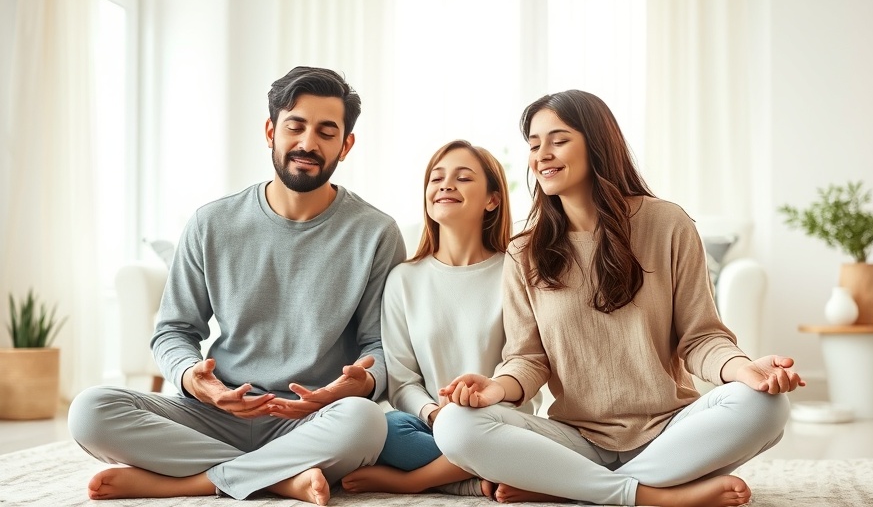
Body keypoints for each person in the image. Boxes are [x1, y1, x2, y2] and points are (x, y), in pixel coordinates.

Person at [434, 89, 804, 507]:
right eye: (534, 144)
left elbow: (700, 338)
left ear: (597, 142)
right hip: (576, 440)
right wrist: (495, 390)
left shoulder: (667, 224)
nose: (542, 155)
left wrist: (745, 370)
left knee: (767, 408)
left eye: (558, 139)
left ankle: (571, 488)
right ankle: (651, 496)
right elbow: (528, 359)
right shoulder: (524, 252)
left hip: (670, 433)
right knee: (455, 426)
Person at [67, 66, 406, 506]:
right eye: (295, 126)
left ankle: (193, 481)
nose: (308, 143)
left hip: (313, 418)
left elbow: (380, 345)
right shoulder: (212, 223)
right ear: (271, 131)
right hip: (217, 410)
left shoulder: (377, 232)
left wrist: (358, 384)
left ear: (346, 144)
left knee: (366, 421)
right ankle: (283, 478)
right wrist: (196, 380)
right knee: (90, 411)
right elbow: (173, 330)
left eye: (326, 131)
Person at [340, 139, 537, 497]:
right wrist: (434, 414)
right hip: (430, 425)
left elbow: (525, 363)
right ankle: (478, 480)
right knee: (389, 430)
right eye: (437, 178)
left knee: (505, 435)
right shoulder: (404, 279)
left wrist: (478, 407)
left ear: (492, 199)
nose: (446, 185)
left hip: (497, 420)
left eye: (463, 178)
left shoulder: (515, 271)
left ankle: (421, 481)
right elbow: (401, 380)